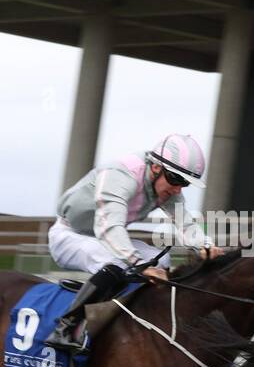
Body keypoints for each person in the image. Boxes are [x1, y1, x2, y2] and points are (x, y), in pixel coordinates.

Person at [45, 133, 214, 352]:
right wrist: (138, 264)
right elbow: (110, 229)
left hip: (102, 237)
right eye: (176, 179)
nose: (178, 189)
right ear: (156, 167)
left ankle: (138, 319)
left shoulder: (167, 185)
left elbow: (186, 225)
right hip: (70, 235)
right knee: (123, 262)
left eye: (185, 183)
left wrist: (205, 246)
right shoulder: (120, 175)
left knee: (160, 262)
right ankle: (66, 327)